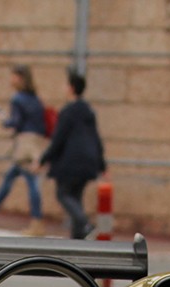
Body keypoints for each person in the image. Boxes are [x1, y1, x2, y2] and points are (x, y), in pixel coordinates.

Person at [0, 64, 47, 237]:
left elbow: (15, 123)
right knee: (10, 178)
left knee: (29, 182)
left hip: (24, 145)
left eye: (14, 76)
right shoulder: (35, 99)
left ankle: (36, 221)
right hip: (35, 143)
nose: (11, 80)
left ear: (21, 78)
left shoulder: (17, 99)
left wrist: (3, 120)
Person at [38, 69, 105, 239]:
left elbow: (58, 139)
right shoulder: (88, 111)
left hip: (71, 161)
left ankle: (85, 225)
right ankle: (77, 239)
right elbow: (96, 138)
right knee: (76, 197)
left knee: (63, 194)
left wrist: (43, 159)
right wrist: (102, 165)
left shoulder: (68, 111)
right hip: (88, 161)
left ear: (71, 88)